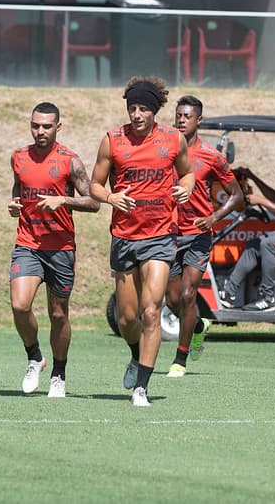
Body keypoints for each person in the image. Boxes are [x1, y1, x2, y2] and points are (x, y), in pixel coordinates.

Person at [89, 76, 195, 407]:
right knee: (126, 318)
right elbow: (94, 184)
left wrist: (186, 188)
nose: (137, 115)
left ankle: (141, 388)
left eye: (143, 109)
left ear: (154, 111)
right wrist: (111, 197)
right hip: (124, 237)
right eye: (132, 108)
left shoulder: (173, 139)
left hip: (160, 236)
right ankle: (136, 355)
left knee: (151, 311)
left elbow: (188, 173)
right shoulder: (113, 140)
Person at [7, 102, 100, 398]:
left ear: (58, 127)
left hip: (60, 248)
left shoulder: (70, 162)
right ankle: (35, 357)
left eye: (47, 126)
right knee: (20, 305)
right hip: (28, 244)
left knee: (58, 314)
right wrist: (14, 204)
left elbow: (94, 202)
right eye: (35, 126)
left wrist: (64, 200)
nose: (40, 131)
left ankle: (59, 373)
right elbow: (18, 187)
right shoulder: (19, 157)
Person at [164, 95, 243, 378]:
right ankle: (198, 325)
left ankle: (180, 360)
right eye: (178, 115)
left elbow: (237, 195)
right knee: (171, 300)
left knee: (188, 295)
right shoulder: (164, 150)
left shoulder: (211, 155)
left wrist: (214, 217)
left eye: (187, 116)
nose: (181, 120)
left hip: (198, 235)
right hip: (168, 233)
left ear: (199, 120)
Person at [217, 152, 275, 311]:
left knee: (268, 243)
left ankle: (268, 298)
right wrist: (253, 177)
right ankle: (229, 292)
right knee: (255, 244)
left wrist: (261, 201)